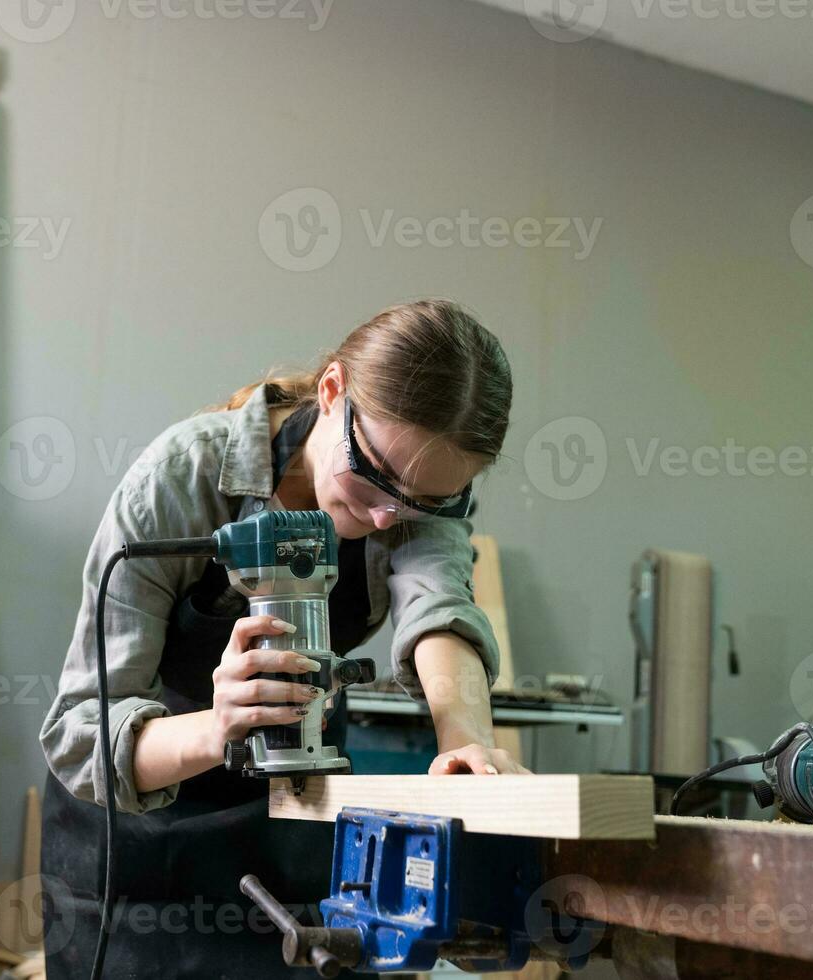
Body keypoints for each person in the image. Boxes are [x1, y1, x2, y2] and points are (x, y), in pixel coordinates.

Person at [39, 299, 526, 978]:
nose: (387, 515)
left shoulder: (414, 484)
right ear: (333, 392)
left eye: (423, 504)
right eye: (376, 477)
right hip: (139, 839)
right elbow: (79, 733)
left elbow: (438, 608)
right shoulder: (180, 479)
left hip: (286, 821)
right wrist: (219, 727)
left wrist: (467, 744)